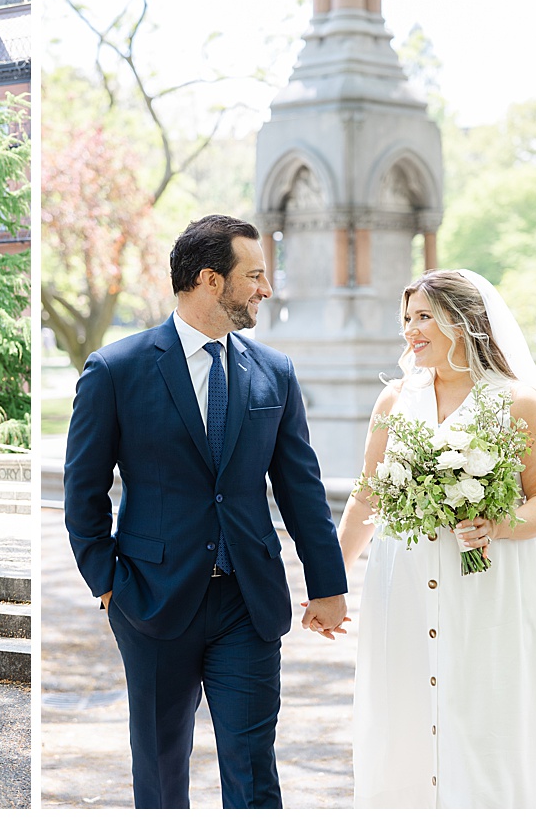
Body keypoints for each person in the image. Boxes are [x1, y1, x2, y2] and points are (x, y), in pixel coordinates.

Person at [63, 214, 349, 809]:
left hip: (249, 601)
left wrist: (328, 586)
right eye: (256, 275)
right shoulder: (116, 370)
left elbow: (301, 487)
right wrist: (108, 584)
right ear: (210, 280)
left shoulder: (275, 371)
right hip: (151, 601)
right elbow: (83, 492)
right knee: (162, 766)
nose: (266, 290)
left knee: (253, 767)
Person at [336, 269, 536, 808]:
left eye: (424, 316)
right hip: (398, 588)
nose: (410, 330)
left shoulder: (520, 404)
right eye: (407, 319)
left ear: (464, 321)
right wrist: (331, 583)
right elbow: (365, 496)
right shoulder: (394, 402)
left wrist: (498, 523)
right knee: (399, 713)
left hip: (486, 593)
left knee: (483, 715)